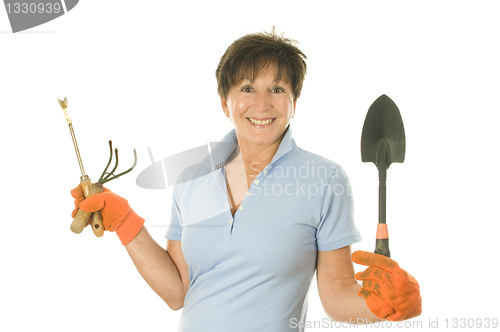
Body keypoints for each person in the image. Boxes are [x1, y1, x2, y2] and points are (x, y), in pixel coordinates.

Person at [70, 29, 421, 331]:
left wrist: (383, 306)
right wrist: (125, 221)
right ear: (225, 102)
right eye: (248, 88)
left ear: (294, 102)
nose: (262, 103)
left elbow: (337, 294)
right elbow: (178, 291)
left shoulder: (324, 179)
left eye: (278, 89)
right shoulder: (192, 177)